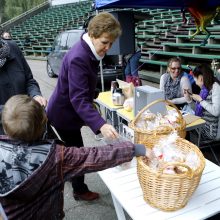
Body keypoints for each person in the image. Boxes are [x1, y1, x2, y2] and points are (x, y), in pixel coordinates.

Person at [0, 94, 150, 219]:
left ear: (5, 127)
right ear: (43, 124)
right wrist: (135, 148)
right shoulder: (56, 157)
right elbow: (95, 156)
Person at [46, 12, 122, 201]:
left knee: (71, 152)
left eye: (111, 44)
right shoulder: (80, 57)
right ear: (93, 34)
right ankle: (78, 190)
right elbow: (78, 99)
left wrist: (96, 93)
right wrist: (101, 125)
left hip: (68, 111)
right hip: (63, 116)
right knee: (77, 154)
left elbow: (83, 86)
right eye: (105, 42)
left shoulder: (87, 49)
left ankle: (72, 182)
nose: (107, 48)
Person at [0, 38, 47, 133]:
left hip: (31, 123)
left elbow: (29, 80)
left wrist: (35, 95)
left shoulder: (13, 47)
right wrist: (17, 111)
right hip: (4, 134)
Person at [184, 64, 220, 141]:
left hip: (210, 131)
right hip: (202, 123)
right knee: (182, 123)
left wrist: (201, 100)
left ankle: (190, 150)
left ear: (200, 78)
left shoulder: (215, 87)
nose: (196, 83)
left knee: (183, 128)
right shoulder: (204, 89)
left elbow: (216, 112)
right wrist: (189, 99)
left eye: (196, 80)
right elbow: (198, 109)